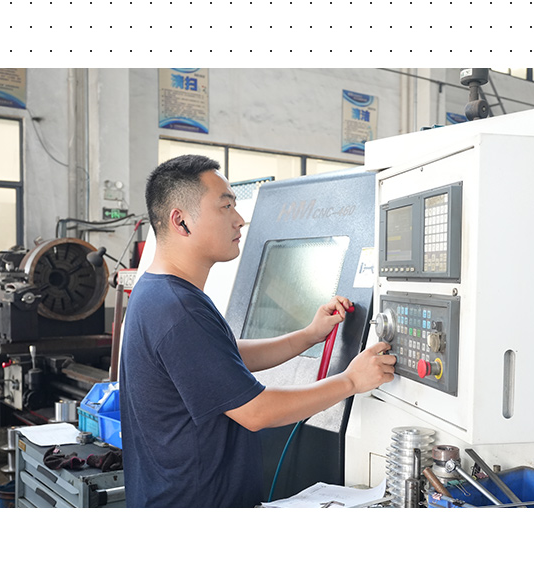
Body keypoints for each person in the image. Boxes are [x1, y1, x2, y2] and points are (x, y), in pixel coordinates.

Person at [119, 154, 395, 507]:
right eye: (225, 207)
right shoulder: (178, 308)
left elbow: (221, 357)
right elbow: (256, 412)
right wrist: (351, 381)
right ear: (181, 221)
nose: (239, 219)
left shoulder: (157, 291)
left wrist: (309, 335)